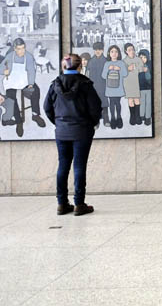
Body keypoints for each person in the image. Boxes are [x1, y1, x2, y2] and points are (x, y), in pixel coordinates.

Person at [44, 53, 101, 216]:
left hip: (62, 131)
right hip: (82, 130)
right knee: (79, 165)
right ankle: (79, 204)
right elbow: (95, 108)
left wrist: (59, 123)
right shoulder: (86, 84)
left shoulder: (55, 84)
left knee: (63, 164)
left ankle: (62, 203)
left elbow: (47, 107)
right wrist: (91, 123)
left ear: (63, 67)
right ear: (80, 66)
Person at [2, 38, 47, 137]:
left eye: (23, 48)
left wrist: (30, 83)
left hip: (24, 79)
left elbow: (31, 71)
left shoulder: (29, 57)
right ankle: (19, 121)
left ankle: (35, 114)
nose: (21, 51)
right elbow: (2, 67)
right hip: (12, 80)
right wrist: (4, 71)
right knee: (10, 97)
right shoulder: (10, 56)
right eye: (18, 49)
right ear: (14, 48)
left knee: (36, 90)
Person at [101, 45, 128, 129]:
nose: (114, 53)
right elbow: (103, 76)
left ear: (118, 53)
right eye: (112, 51)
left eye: (116, 52)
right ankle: (112, 118)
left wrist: (119, 69)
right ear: (109, 53)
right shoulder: (107, 63)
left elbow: (125, 74)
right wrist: (108, 69)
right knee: (112, 103)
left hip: (118, 88)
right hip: (110, 88)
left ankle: (119, 118)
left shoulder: (121, 63)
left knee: (118, 103)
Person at [122, 43, 144, 125]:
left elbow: (142, 68)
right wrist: (127, 68)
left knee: (137, 99)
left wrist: (135, 68)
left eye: (133, 49)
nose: (132, 51)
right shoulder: (124, 61)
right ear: (126, 51)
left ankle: (138, 116)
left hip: (136, 82)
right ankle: (132, 116)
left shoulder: (138, 59)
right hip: (128, 82)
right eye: (129, 50)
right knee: (130, 99)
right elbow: (122, 72)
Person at [137, 49, 152, 126]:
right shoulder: (138, 66)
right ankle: (142, 115)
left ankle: (148, 118)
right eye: (141, 57)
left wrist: (147, 71)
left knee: (148, 103)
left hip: (149, 88)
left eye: (144, 57)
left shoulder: (150, 65)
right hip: (141, 88)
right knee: (142, 102)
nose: (142, 59)